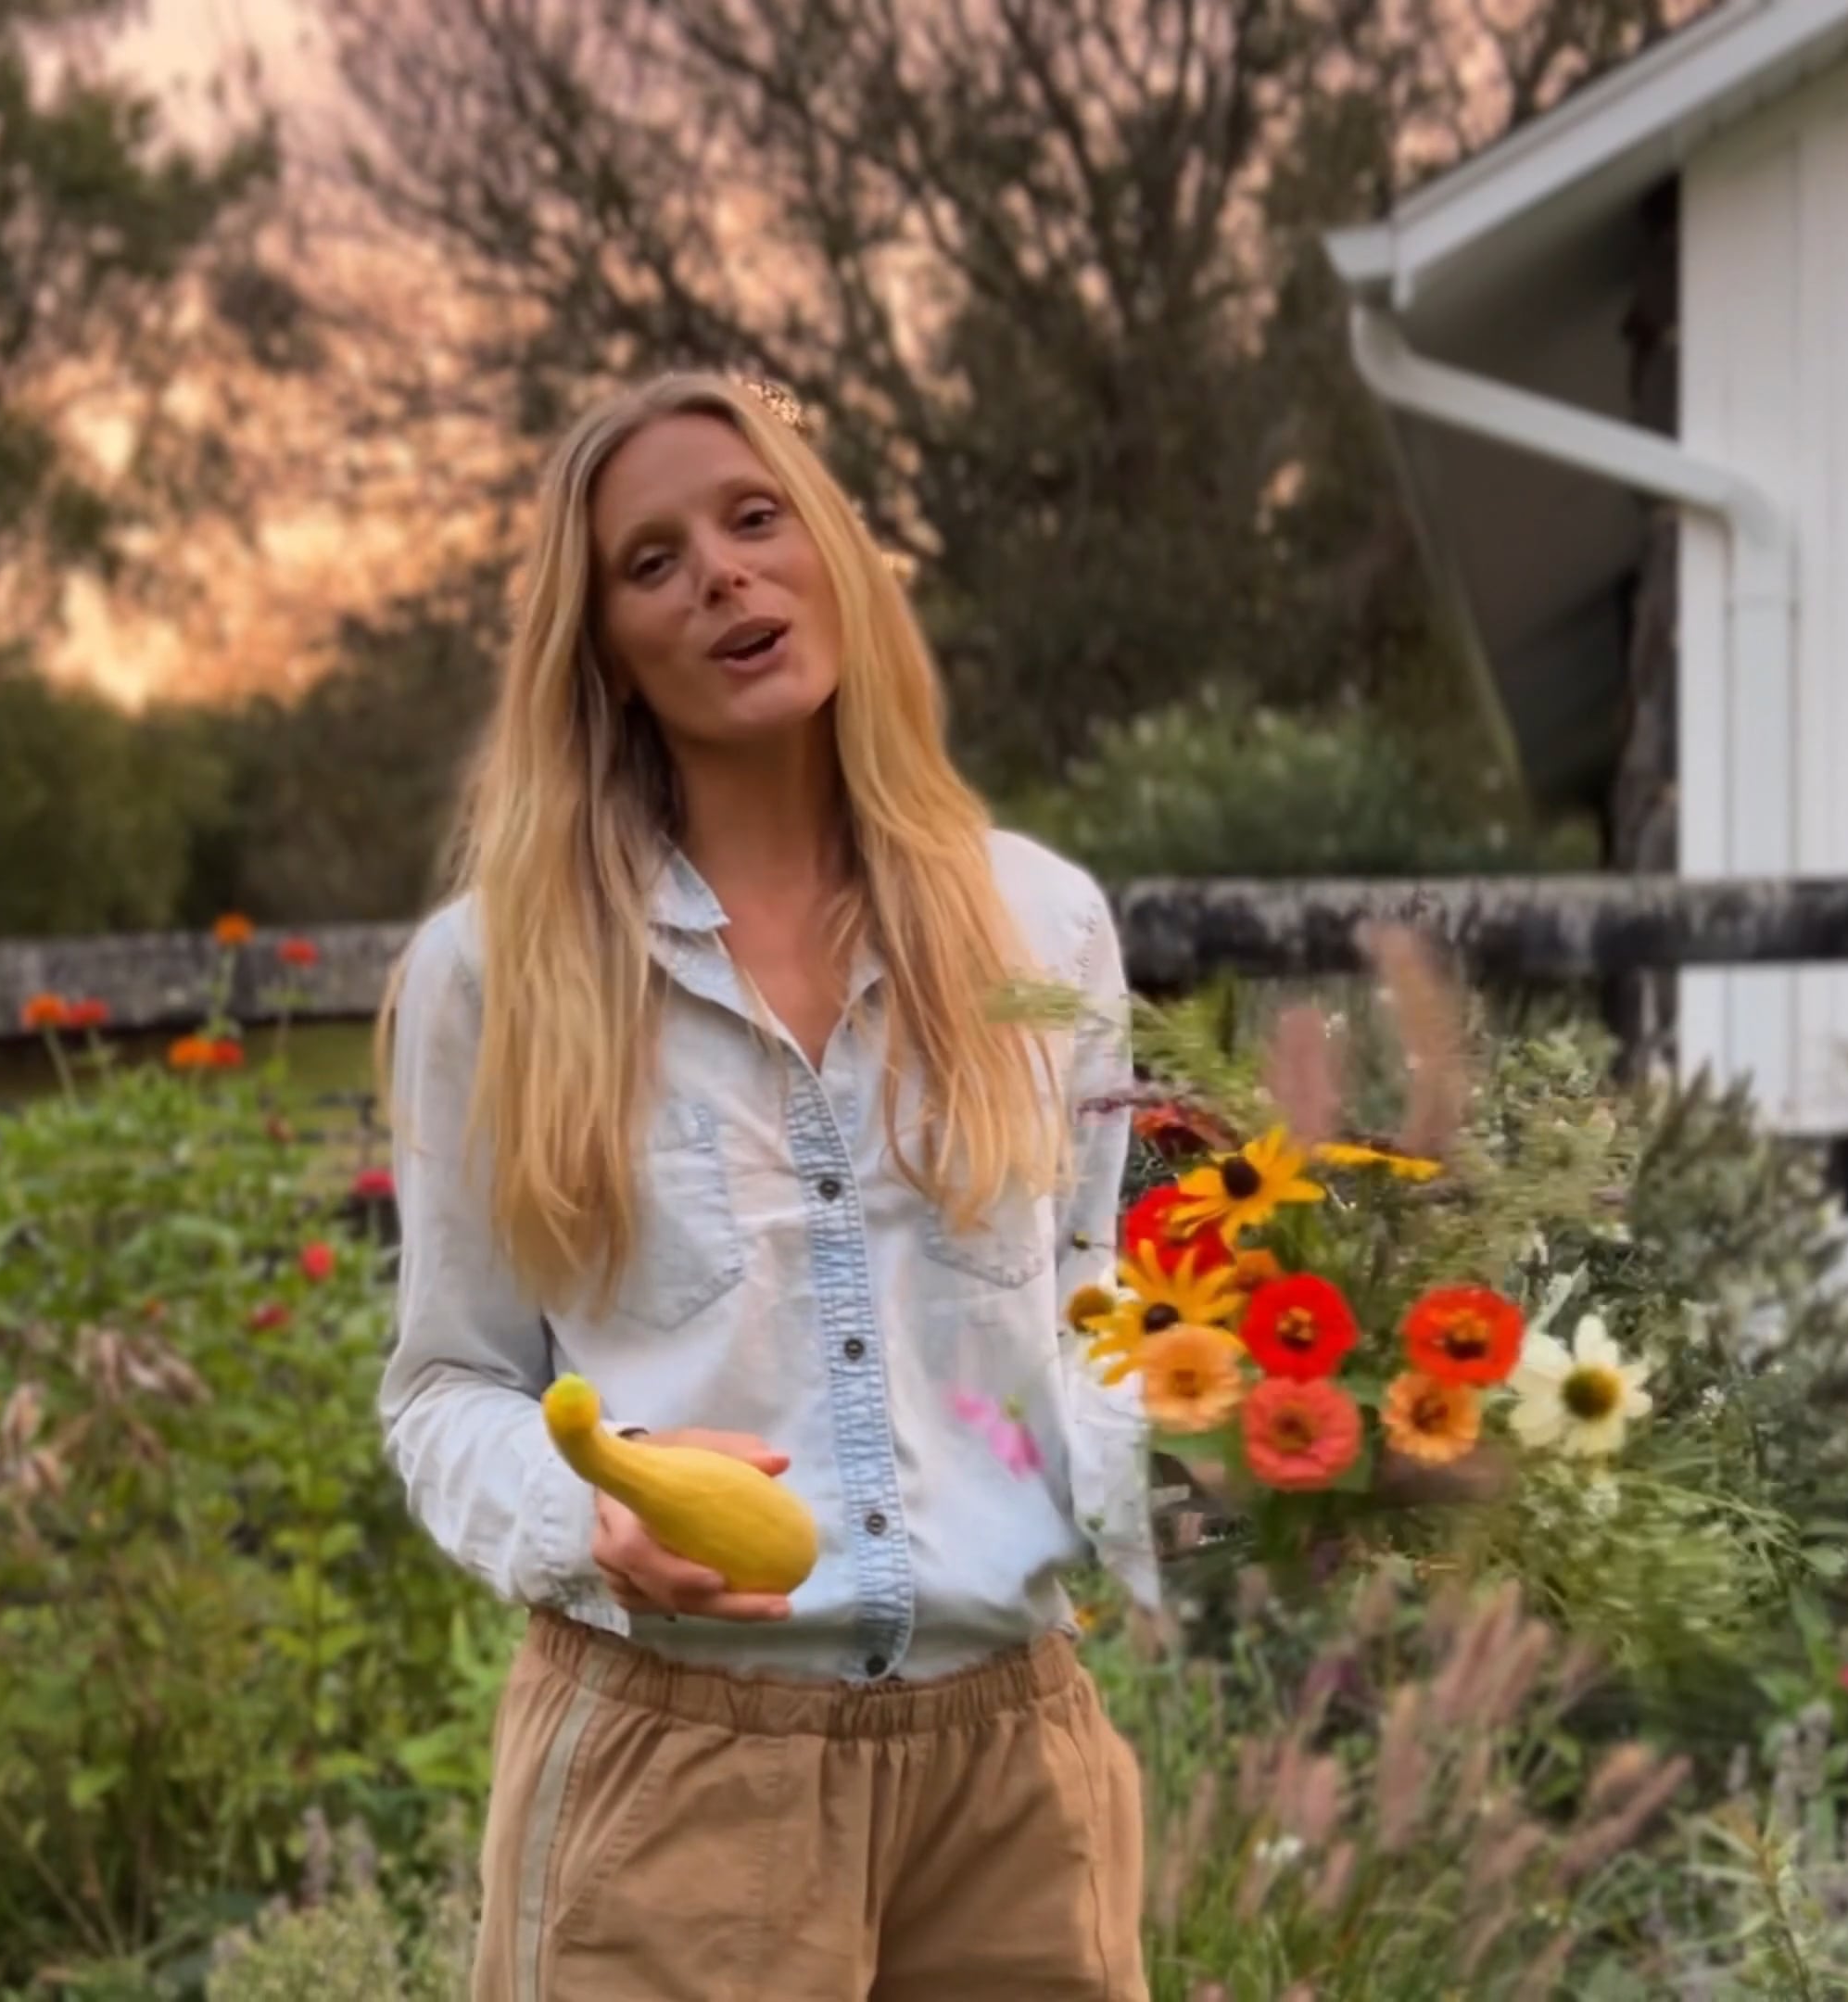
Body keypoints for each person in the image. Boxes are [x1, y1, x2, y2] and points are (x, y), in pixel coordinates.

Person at [374, 371, 1156, 2000]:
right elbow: (445, 1388)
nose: (722, 575)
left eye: (754, 518)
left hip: (1015, 1782)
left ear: (837, 556)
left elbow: (1089, 1303)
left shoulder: (1043, 926)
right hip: (678, 1789)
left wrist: (1255, 1441)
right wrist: (588, 1516)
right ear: (604, 650)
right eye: (652, 562)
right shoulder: (496, 976)